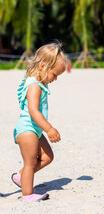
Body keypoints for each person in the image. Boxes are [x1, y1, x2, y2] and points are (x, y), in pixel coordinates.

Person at [12, 42, 67, 202]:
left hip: (34, 130)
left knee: (47, 156)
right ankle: (27, 195)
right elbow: (33, 111)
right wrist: (49, 129)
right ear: (43, 66)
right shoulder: (34, 86)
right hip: (27, 130)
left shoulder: (39, 83)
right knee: (30, 162)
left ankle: (21, 176)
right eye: (54, 75)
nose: (55, 79)